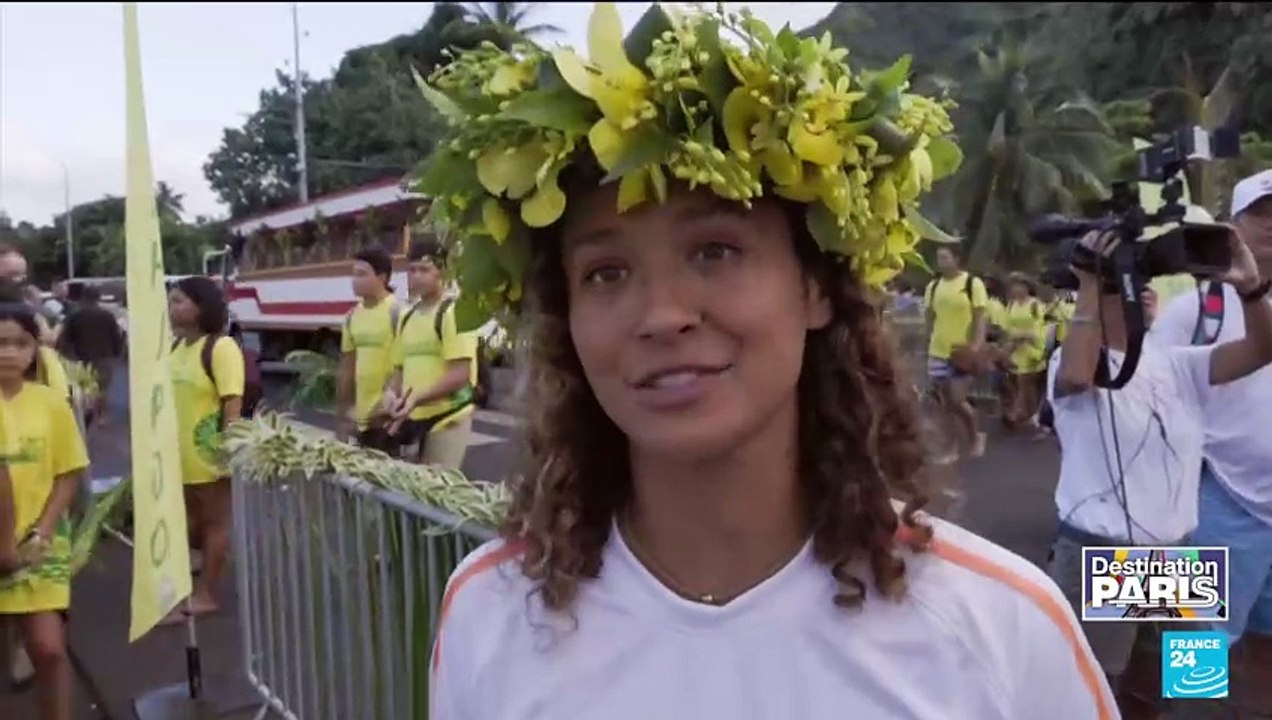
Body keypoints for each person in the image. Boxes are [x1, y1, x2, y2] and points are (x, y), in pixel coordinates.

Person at [425, 7, 1115, 718]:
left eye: (714, 252)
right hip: (1097, 534)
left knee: (1205, 654)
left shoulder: (1002, 627)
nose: (663, 314)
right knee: (1172, 653)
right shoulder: (490, 615)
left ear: (819, 288)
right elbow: (1073, 380)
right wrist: (1099, 301)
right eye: (605, 274)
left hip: (1203, 537)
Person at [1047, 227, 1272, 718]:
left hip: (1174, 556)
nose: (1138, 296)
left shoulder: (1177, 366)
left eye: (1140, 287)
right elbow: (1077, 376)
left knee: (1193, 695)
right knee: (1092, 698)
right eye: (1123, 290)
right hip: (1102, 554)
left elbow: (1262, 348)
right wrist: (1090, 284)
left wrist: (1251, 288)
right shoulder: (1073, 364)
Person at [1150, 169, 1272, 713]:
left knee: (1265, 646)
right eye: (1261, 213)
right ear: (1234, 227)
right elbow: (1143, 394)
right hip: (1216, 501)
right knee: (1196, 648)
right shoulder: (1197, 309)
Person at [0, 299, 89, 720]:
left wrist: (43, 532)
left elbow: (68, 473)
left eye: (19, 343)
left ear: (35, 350)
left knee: (49, 650)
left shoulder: (52, 404)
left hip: (42, 545)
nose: (8, 352)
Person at [161, 277, 243, 624]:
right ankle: (200, 573)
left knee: (213, 523)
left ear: (200, 306)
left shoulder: (221, 348)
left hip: (208, 454)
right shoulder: (175, 348)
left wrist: (227, 450)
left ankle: (207, 593)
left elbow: (232, 403)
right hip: (176, 456)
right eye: (172, 300)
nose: (172, 307)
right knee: (190, 525)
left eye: (179, 301)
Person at [383, 240, 479, 467]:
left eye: (424, 270)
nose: (416, 276)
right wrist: (389, 393)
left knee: (440, 490)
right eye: (412, 270)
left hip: (448, 417)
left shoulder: (453, 312)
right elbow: (400, 369)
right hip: (413, 417)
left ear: (442, 272)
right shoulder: (407, 316)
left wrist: (417, 397)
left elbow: (460, 373)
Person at [925, 245, 989, 460]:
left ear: (956, 258)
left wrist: (976, 346)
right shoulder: (933, 286)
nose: (941, 261)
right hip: (938, 350)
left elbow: (980, 319)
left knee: (957, 400)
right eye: (938, 257)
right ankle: (950, 447)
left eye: (945, 257)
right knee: (944, 403)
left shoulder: (972, 284)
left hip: (962, 352)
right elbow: (929, 318)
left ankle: (974, 436)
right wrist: (929, 341)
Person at [335, 247, 402, 453]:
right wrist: (343, 413)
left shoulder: (398, 312)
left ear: (382, 277)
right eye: (353, 274)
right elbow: (347, 366)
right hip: (361, 417)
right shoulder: (352, 316)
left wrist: (389, 399)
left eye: (362, 274)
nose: (355, 280)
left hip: (389, 417)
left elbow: (406, 365)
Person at [55, 285, 123, 426]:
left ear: (83, 297)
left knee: (82, 388)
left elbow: (65, 337)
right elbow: (116, 336)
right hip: (104, 356)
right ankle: (101, 416)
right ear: (98, 297)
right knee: (102, 389)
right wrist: (117, 352)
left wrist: (64, 354)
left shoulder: (74, 315)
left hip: (80, 357)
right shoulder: (107, 315)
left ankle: (85, 414)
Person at [1000, 273, 1047, 433]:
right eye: (1014, 286)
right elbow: (1006, 326)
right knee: (1026, 385)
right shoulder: (1011, 305)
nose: (1016, 289)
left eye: (1020, 285)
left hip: (1032, 347)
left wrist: (1024, 336)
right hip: (1015, 348)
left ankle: (1015, 413)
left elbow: (1042, 327)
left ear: (1027, 287)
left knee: (1024, 381)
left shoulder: (1036, 305)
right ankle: (1032, 414)